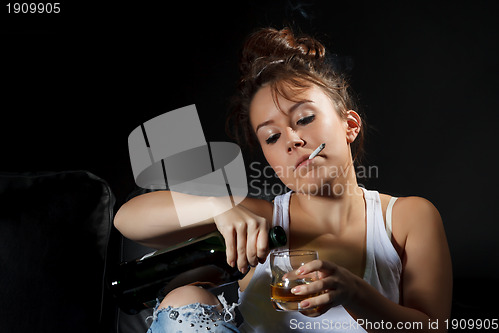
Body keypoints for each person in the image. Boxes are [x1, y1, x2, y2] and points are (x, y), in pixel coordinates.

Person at [114, 27, 452, 332]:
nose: (291, 139)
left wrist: (354, 292)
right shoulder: (259, 221)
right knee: (184, 298)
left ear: (350, 125)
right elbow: (128, 220)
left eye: (304, 118)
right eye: (272, 137)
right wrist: (218, 206)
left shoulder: (407, 218)